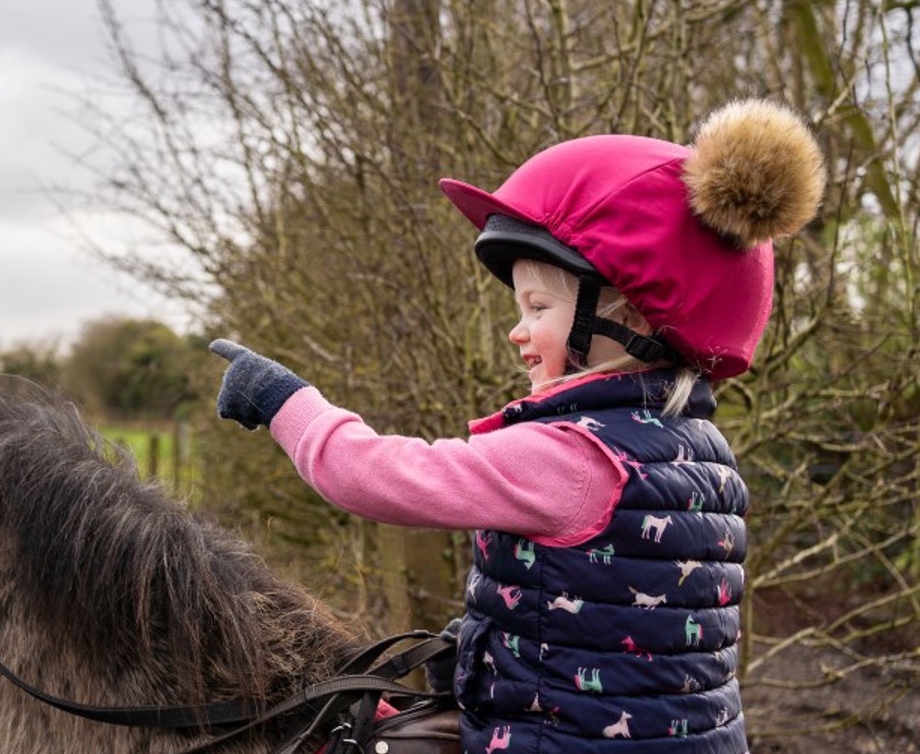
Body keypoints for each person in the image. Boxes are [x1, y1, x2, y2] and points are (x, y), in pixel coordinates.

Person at [211, 99, 825, 753]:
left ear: (629, 318)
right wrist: (490, 640)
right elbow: (628, 615)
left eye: (538, 307)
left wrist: (285, 401)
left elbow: (374, 476)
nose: (518, 331)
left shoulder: (571, 454)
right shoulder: (703, 455)